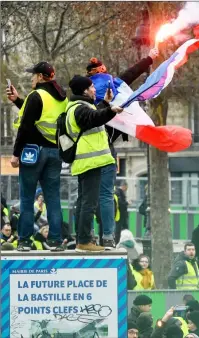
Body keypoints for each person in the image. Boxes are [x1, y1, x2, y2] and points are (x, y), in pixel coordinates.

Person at [86, 49, 159, 247]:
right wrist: (150, 57)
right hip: (108, 149)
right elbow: (132, 73)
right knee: (107, 195)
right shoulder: (115, 84)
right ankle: (108, 237)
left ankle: (87, 236)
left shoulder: (84, 95)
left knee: (87, 195)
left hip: (87, 150)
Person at [6, 61, 68, 251]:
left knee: (26, 197)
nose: (32, 78)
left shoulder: (36, 95)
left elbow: (25, 126)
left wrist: (16, 154)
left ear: (41, 77)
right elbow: (41, 115)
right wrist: (17, 100)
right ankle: (56, 241)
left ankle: (24, 241)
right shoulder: (61, 98)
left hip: (33, 152)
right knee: (53, 199)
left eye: (33, 75)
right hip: (54, 152)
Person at [66, 75, 123, 252]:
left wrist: (105, 104)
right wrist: (111, 110)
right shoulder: (79, 108)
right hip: (90, 162)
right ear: (84, 90)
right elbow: (94, 117)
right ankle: (84, 241)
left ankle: (83, 240)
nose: (94, 90)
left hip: (88, 162)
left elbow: (93, 115)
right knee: (88, 203)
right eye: (91, 87)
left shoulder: (79, 107)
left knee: (85, 201)